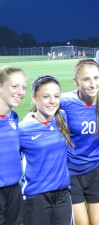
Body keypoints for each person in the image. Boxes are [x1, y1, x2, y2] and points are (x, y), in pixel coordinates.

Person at [60, 58, 99, 225]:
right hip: (71, 172)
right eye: (86, 79)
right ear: (75, 81)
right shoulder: (65, 102)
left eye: (96, 78)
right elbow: (38, 113)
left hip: (96, 170)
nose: (93, 84)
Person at [19, 75, 74, 225]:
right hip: (35, 197)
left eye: (56, 96)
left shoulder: (62, 117)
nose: (52, 101)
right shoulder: (23, 129)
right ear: (34, 98)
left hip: (63, 195)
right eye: (46, 96)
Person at [0, 66, 27, 225]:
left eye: (23, 87)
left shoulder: (13, 117)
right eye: (14, 86)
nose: (20, 92)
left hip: (14, 190)